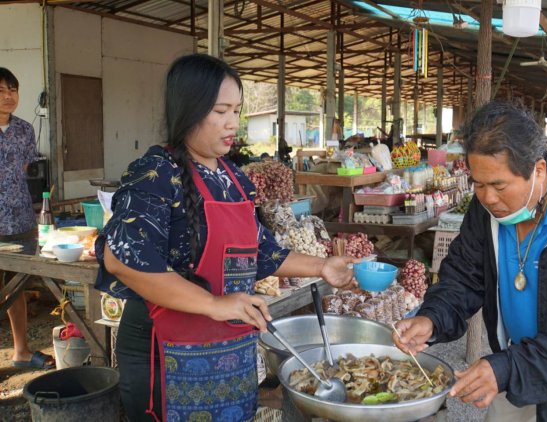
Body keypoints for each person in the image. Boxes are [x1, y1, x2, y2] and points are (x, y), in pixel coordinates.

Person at [95, 54, 357, 422]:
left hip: (229, 351)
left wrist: (322, 266)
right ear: (189, 109)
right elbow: (121, 259)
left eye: (236, 110)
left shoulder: (234, 178)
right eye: (220, 111)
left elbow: (263, 252)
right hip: (165, 353)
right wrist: (215, 303)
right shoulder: (156, 173)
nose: (232, 123)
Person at [393, 101, 547, 421]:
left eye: (499, 185)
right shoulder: (486, 212)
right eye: (478, 184)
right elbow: (463, 276)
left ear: (538, 170)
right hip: (517, 375)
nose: (487, 198)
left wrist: (507, 368)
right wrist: (432, 318)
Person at [0, 67, 55, 370]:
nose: (9, 96)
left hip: (20, 220)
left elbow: (22, 171)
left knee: (15, 288)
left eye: (13, 90)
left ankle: (20, 350)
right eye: (1, 91)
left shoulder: (24, 129)